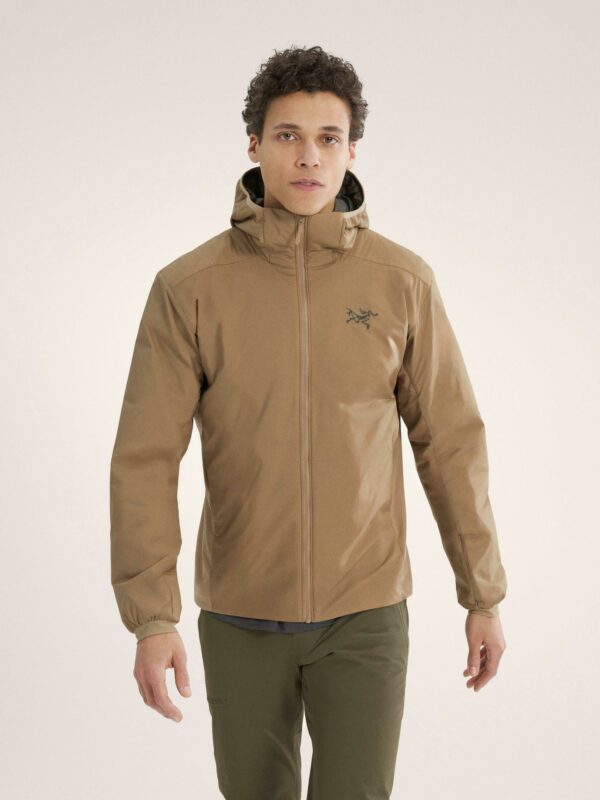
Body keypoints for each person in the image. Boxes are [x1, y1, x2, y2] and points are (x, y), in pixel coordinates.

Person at [110, 44, 508, 799]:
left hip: (366, 614)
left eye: (329, 138)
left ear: (353, 150)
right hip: (239, 614)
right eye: (288, 135)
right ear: (253, 145)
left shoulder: (401, 281)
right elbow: (145, 458)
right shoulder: (189, 288)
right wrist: (152, 618)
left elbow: (451, 443)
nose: (308, 157)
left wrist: (482, 595)